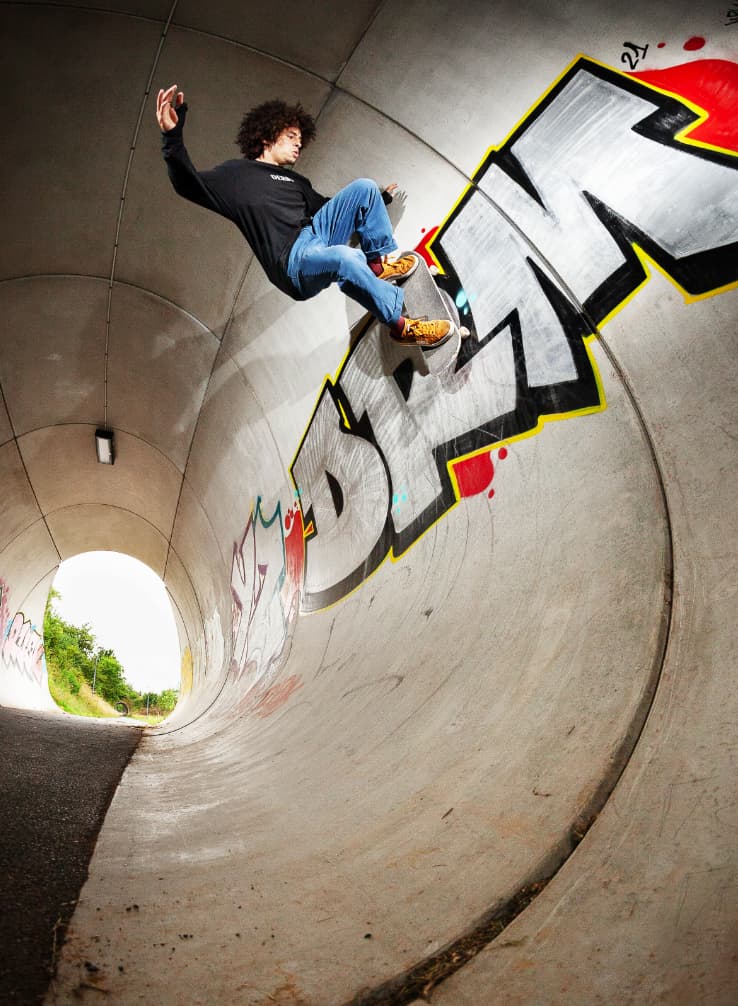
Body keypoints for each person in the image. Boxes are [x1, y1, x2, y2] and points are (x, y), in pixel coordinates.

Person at [156, 85, 453, 347]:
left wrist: (380, 198)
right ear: (267, 137)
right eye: (291, 136)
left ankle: (379, 265)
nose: (299, 143)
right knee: (344, 258)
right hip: (293, 262)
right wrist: (172, 137)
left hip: (316, 235)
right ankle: (403, 327)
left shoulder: (296, 182)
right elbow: (188, 184)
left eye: (300, 138)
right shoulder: (237, 175)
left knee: (363, 188)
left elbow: (329, 207)